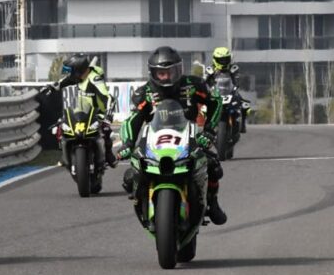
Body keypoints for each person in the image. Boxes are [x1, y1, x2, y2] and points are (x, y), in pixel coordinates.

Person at [118, 46, 227, 225]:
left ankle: (212, 203)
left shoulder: (193, 84)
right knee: (131, 176)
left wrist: (209, 130)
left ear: (180, 69)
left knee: (213, 165)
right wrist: (127, 144)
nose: (167, 77)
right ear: (153, 73)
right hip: (154, 139)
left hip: (188, 136)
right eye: (161, 73)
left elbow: (215, 101)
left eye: (171, 72)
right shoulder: (143, 93)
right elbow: (132, 120)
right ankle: (141, 200)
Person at [43, 53, 116, 169]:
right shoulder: (80, 76)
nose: (69, 74)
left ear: (78, 70)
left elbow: (108, 97)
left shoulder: (95, 79)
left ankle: (108, 154)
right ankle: (65, 154)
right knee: (61, 125)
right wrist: (52, 87)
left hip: (97, 113)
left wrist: (108, 115)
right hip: (82, 111)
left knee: (106, 131)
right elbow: (65, 81)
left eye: (71, 71)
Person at [203, 46, 251, 133]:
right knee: (203, 106)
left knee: (245, 104)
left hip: (230, 92)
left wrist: (237, 85)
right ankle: (207, 126)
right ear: (215, 59)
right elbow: (203, 81)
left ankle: (242, 124)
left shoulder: (233, 68)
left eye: (225, 59)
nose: (223, 62)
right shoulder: (210, 70)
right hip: (215, 93)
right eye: (221, 60)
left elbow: (237, 79)